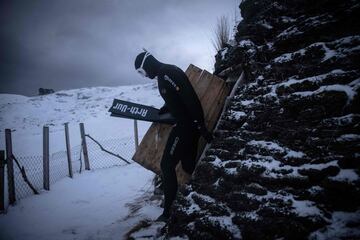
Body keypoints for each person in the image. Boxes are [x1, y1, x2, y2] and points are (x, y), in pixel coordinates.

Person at [134, 50, 213, 222]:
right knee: (188, 166)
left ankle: (167, 212)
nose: (144, 76)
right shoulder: (165, 74)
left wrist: (200, 126)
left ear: (147, 64)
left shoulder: (167, 73)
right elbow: (176, 97)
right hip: (187, 126)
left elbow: (189, 98)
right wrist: (167, 107)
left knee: (167, 165)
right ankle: (203, 199)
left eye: (142, 72)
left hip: (186, 127)